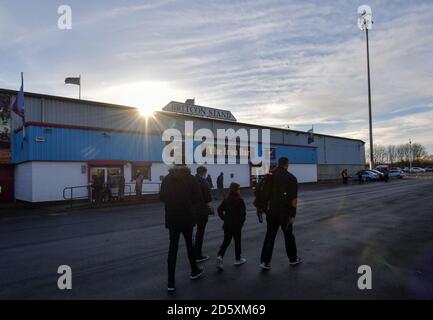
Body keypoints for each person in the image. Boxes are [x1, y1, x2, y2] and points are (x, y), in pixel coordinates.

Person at [159, 165, 204, 292]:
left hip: (172, 219)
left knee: (173, 249)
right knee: (190, 245)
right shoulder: (191, 179)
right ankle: (194, 270)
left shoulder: (167, 178)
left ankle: (171, 282)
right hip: (187, 218)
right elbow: (198, 198)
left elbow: (161, 197)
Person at [259, 157, 302, 270]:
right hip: (285, 213)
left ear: (278, 163)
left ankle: (265, 261)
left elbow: (264, 192)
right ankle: (293, 259)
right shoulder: (291, 178)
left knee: (270, 236)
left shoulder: (270, 175)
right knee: (288, 236)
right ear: (287, 164)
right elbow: (293, 198)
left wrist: (264, 209)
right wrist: (293, 215)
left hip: (271, 211)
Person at [216, 182, 247, 270]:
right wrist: (241, 223)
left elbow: (219, 210)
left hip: (227, 224)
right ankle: (238, 259)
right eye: (239, 189)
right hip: (237, 225)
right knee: (237, 242)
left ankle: (220, 255)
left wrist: (224, 218)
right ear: (237, 190)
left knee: (226, 241)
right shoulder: (239, 200)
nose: (240, 190)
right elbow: (243, 214)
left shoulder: (227, 199)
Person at [194, 166, 213, 262]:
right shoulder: (204, 183)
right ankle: (197, 254)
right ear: (204, 173)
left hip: (192, 210)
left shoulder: (191, 180)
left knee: (194, 232)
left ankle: (193, 252)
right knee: (200, 232)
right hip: (201, 210)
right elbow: (208, 199)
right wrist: (210, 208)